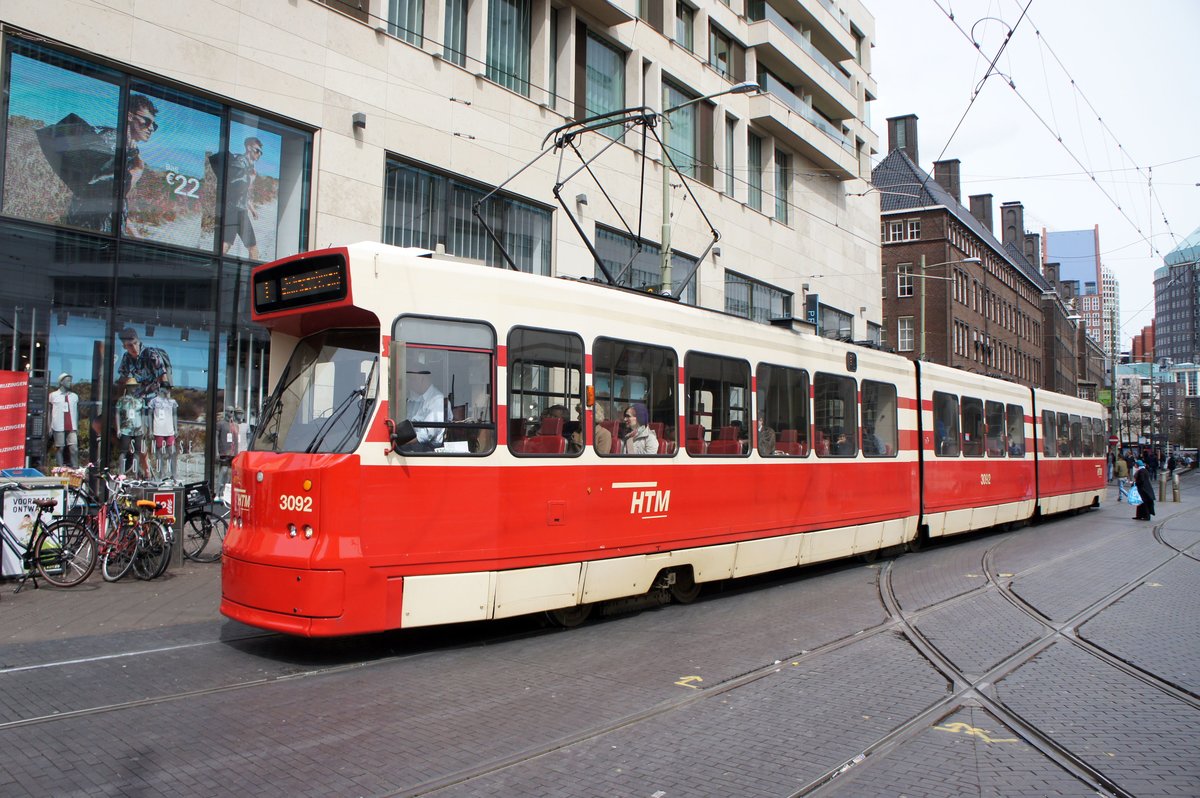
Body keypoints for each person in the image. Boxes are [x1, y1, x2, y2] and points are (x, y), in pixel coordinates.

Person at [221, 136, 264, 259]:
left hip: (242, 210)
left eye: (261, 152)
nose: (259, 154)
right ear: (249, 147)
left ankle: (252, 276)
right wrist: (249, 178)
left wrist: (252, 208)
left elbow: (246, 192)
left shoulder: (252, 169)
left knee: (253, 248)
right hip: (232, 208)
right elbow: (234, 184)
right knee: (226, 244)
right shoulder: (239, 162)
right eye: (257, 150)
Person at [401, 351, 445, 452]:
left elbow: (426, 434)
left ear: (422, 379)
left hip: (427, 449)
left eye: (411, 379)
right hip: (412, 445)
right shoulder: (414, 398)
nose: (409, 383)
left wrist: (401, 443)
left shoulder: (437, 400)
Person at [116, 327, 170, 399]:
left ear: (139, 341)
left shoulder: (151, 354)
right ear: (124, 347)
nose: (134, 348)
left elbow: (163, 378)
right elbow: (123, 379)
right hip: (138, 398)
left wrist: (165, 401)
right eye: (130, 345)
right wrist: (118, 399)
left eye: (135, 343)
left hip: (155, 398)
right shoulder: (126, 357)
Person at [47, 373, 79, 467]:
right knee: (60, 448)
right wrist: (49, 426)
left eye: (70, 381)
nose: (70, 383)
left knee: (74, 448)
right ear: (61, 382)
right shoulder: (53, 395)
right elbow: (49, 412)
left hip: (72, 425)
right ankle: (60, 468)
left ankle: (75, 468)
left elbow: (77, 412)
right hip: (58, 425)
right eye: (68, 381)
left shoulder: (74, 396)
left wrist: (77, 426)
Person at [148, 383, 179, 481]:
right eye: (166, 388)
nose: (168, 390)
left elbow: (174, 415)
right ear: (161, 389)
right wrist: (150, 429)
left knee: (172, 452)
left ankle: (174, 474)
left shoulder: (172, 402)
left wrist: (176, 428)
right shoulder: (153, 401)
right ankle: (161, 473)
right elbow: (150, 415)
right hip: (158, 429)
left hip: (170, 430)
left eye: (169, 388)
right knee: (159, 452)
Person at [216, 408, 238, 492]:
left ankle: (224, 492)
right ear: (227, 412)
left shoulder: (235, 425)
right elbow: (216, 438)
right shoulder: (220, 424)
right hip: (224, 451)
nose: (232, 413)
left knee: (230, 473)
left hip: (233, 452)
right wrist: (217, 452)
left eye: (233, 412)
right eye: (231, 411)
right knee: (223, 470)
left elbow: (236, 440)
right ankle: (218, 492)